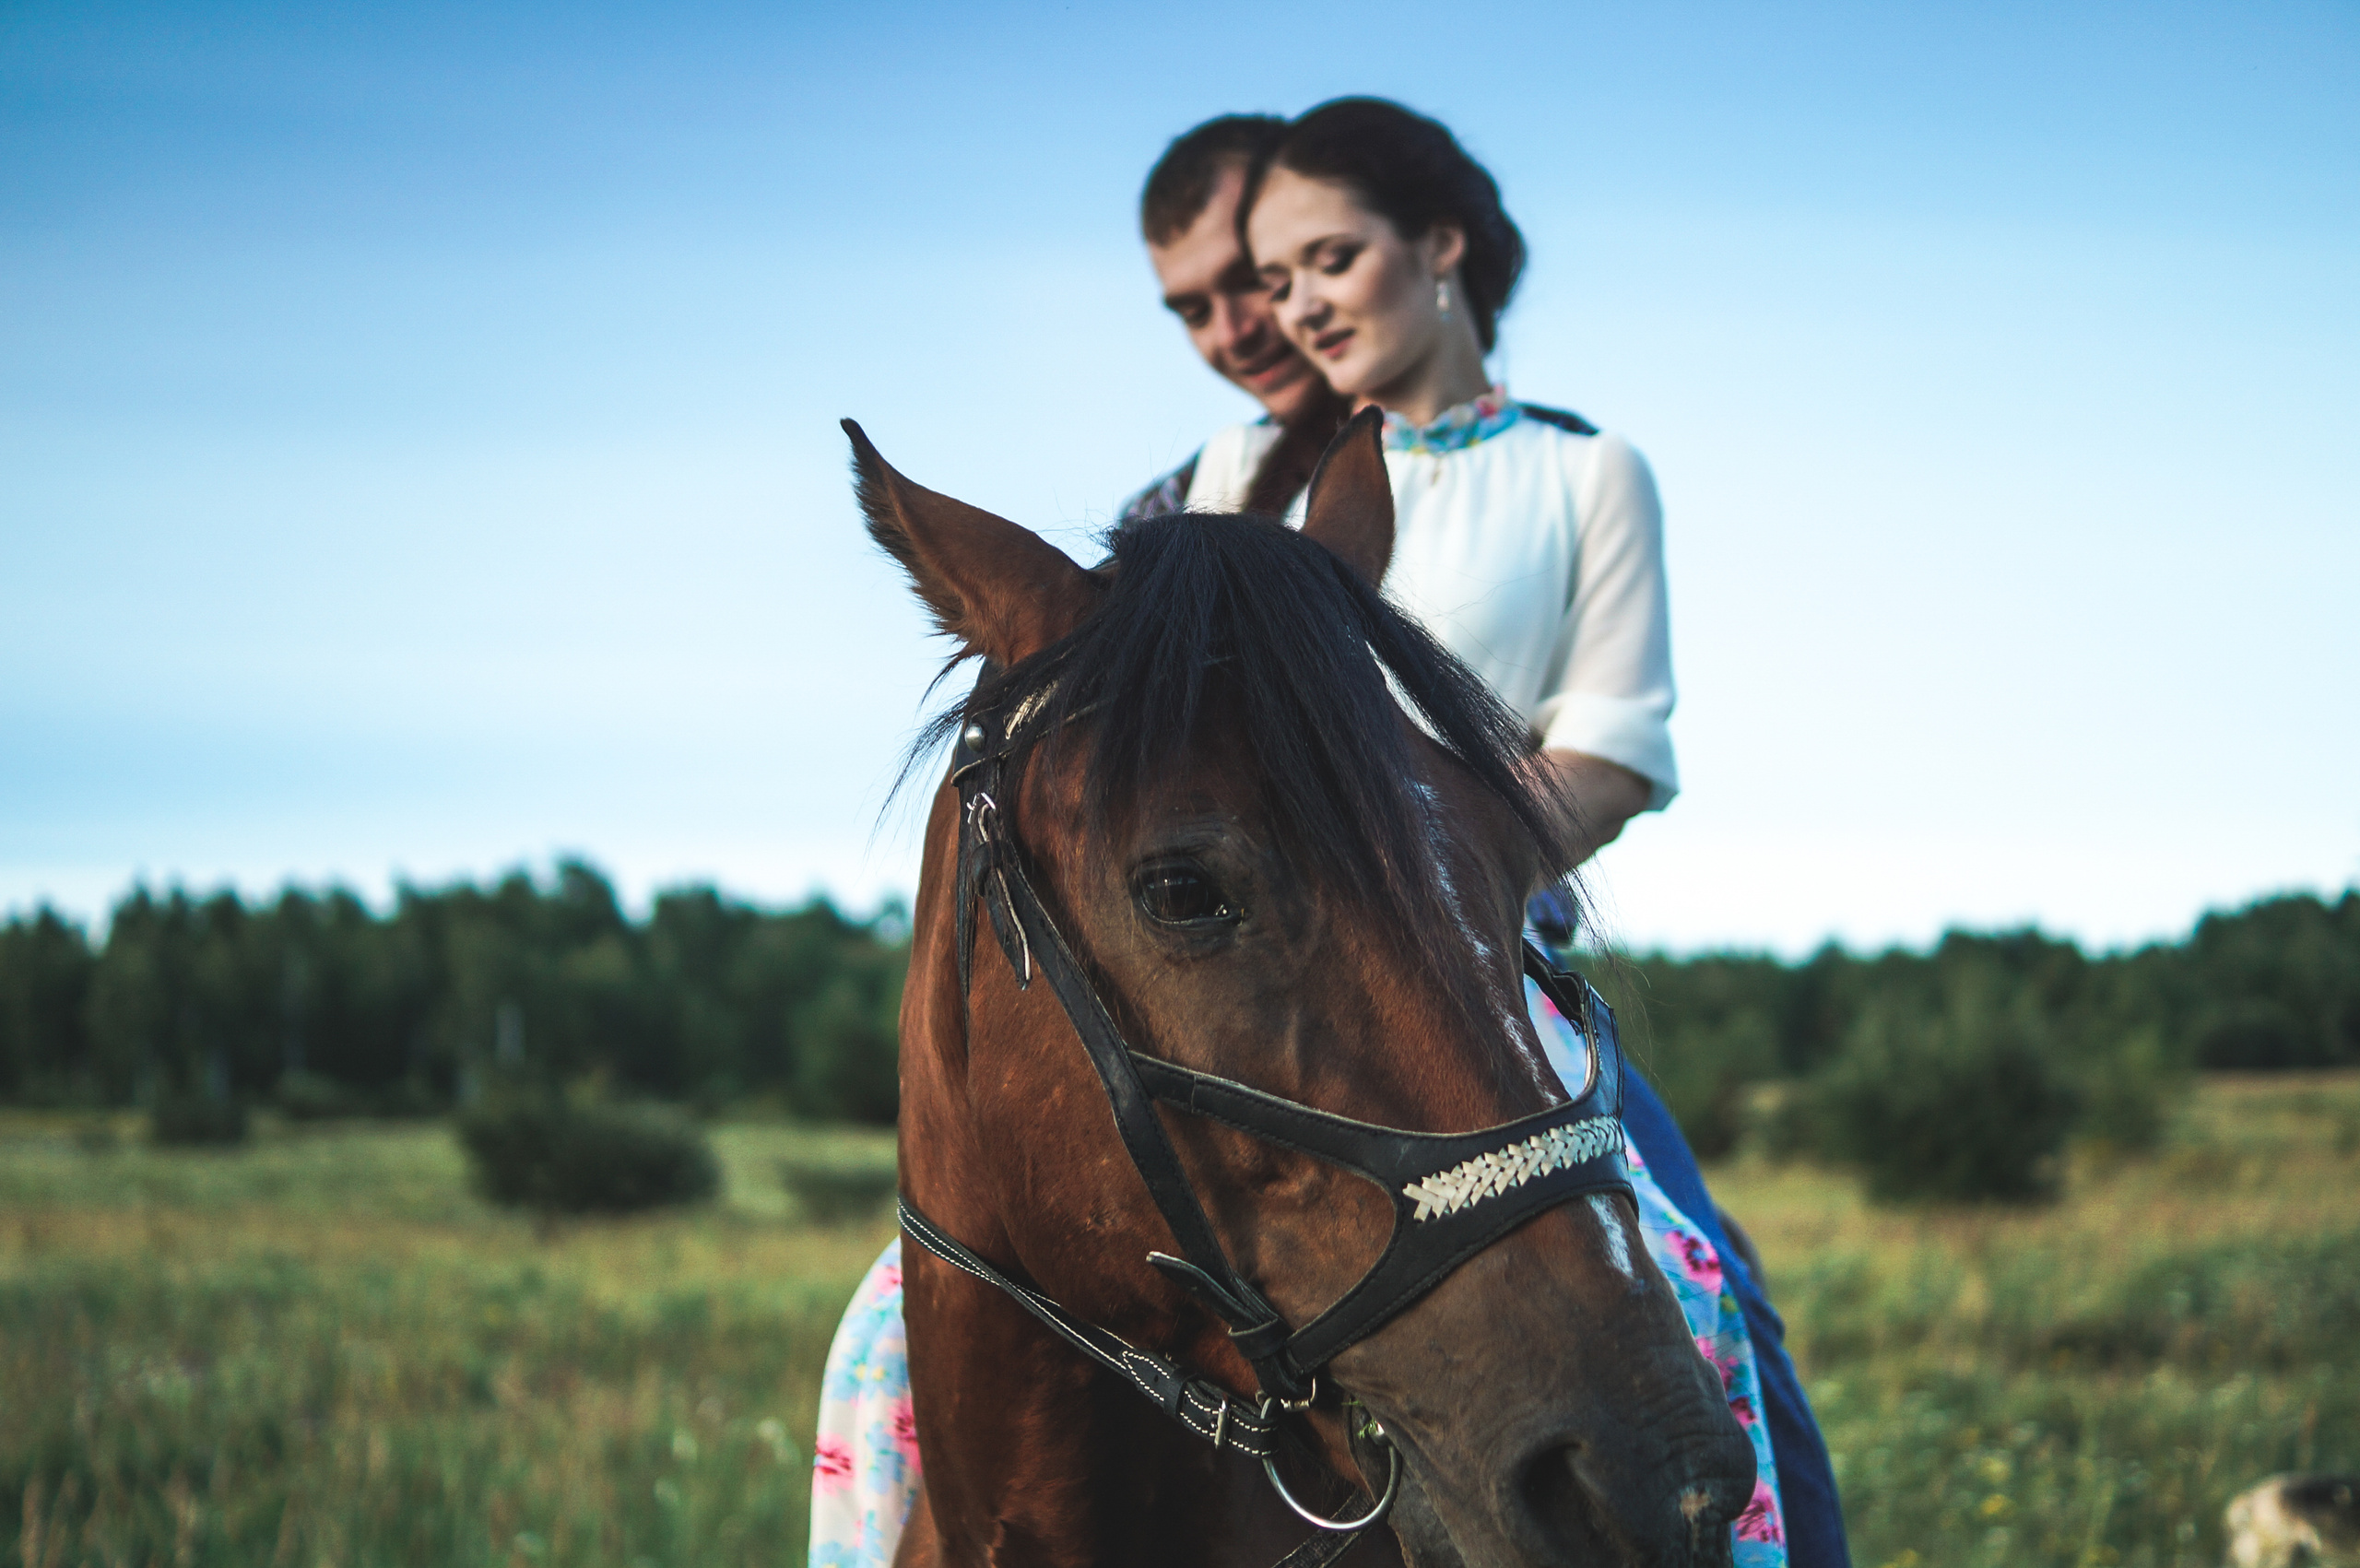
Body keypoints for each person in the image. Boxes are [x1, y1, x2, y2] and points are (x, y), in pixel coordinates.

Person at [809, 105, 1848, 1568]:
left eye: (1319, 264)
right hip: (1267, 973)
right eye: (1252, 284)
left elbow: (1615, 750)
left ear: (1442, 249)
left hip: (1487, 966)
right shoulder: (1222, 482)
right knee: (893, 1319)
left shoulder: (1580, 474)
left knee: (1699, 1273)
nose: (1281, 309)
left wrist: (1425, 861)